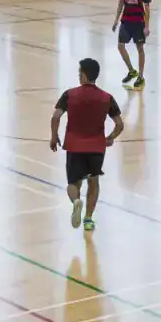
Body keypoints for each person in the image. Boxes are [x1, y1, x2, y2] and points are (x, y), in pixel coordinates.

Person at [50, 57, 124, 233]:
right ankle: (89, 219)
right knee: (93, 183)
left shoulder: (70, 94)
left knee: (73, 184)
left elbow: (56, 116)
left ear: (83, 76)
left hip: (74, 146)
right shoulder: (107, 98)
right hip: (96, 147)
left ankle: (76, 202)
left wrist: (54, 136)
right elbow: (119, 124)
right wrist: (110, 137)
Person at [111, 0, 151, 87]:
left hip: (138, 22)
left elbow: (147, 8)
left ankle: (140, 76)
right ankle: (131, 71)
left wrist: (146, 26)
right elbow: (121, 3)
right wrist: (116, 20)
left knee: (140, 48)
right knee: (120, 46)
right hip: (126, 21)